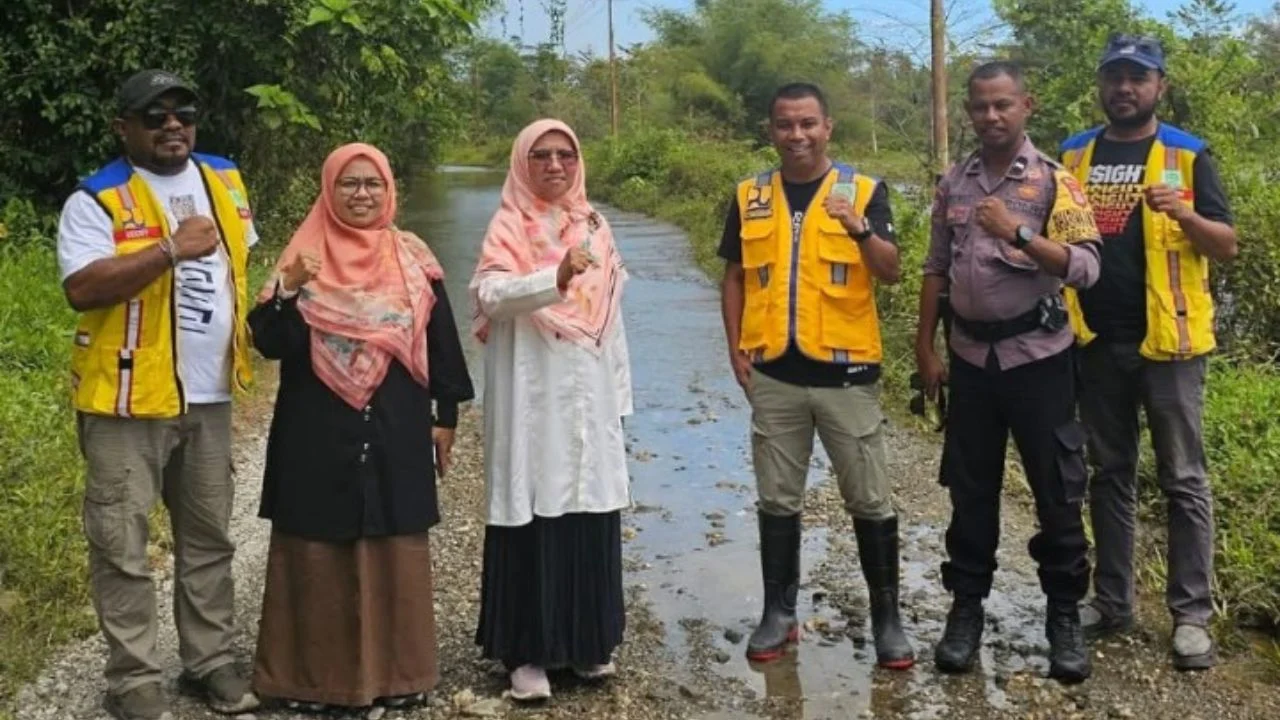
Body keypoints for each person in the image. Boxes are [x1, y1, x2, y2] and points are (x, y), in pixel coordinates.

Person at [57, 69, 260, 720]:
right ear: (123, 128)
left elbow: (237, 270)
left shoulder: (224, 178)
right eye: (155, 115)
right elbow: (83, 288)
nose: (173, 124)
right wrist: (170, 249)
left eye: (184, 113)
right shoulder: (96, 198)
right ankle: (133, 680)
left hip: (210, 397)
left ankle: (210, 661)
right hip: (125, 400)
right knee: (122, 544)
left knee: (209, 538)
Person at [247, 143, 474, 710]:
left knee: (393, 537)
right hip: (315, 427)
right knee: (317, 543)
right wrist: (290, 289)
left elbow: (441, 341)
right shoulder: (302, 257)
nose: (362, 194)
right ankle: (309, 682)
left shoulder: (412, 256)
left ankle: (401, 676)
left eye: (373, 183)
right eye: (349, 183)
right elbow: (271, 343)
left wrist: (446, 416)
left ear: (389, 190)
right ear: (329, 190)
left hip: (397, 421)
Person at [915, 61, 1102, 683]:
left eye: (1002, 104)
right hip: (971, 361)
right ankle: (966, 610)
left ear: (1028, 105)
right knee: (970, 492)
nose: (990, 116)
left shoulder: (1055, 181)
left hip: (1039, 361)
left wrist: (1018, 232)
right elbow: (935, 267)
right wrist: (925, 347)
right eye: (980, 106)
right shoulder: (954, 182)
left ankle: (1064, 616)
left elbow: (1086, 267)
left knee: (1057, 493)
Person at [718, 82, 912, 670]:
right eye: (785, 124)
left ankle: (887, 619)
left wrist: (859, 228)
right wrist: (736, 349)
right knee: (777, 498)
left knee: (869, 498)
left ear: (828, 127)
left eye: (807, 123)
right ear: (771, 131)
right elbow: (735, 277)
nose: (796, 135)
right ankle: (779, 613)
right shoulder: (750, 195)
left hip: (846, 375)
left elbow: (892, 271)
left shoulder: (864, 191)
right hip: (774, 374)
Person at [1061, 35, 1237, 671]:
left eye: (1138, 77)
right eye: (1115, 76)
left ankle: (1191, 616)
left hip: (1171, 345)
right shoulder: (1075, 154)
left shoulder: (1187, 154)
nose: (1125, 88)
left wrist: (1185, 216)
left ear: (1160, 85)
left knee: (1183, 479)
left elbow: (1226, 246)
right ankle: (1113, 603)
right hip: (1095, 342)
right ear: (1101, 84)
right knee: (1109, 474)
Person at [471, 119, 632, 701]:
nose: (556, 165)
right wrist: (553, 277)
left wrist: (620, 399)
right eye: (541, 155)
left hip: (590, 395)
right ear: (523, 163)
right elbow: (490, 295)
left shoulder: (595, 225)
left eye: (566, 154)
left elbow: (611, 317)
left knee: (589, 507)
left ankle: (588, 642)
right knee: (532, 507)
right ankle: (526, 653)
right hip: (531, 395)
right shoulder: (508, 225)